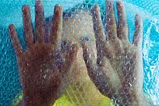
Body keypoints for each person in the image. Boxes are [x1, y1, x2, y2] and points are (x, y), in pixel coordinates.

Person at [9, 0, 152, 106]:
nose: (77, 54)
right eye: (63, 45)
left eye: (86, 40)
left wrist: (132, 99)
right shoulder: (35, 95)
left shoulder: (131, 93)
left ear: (103, 41)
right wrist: (35, 101)